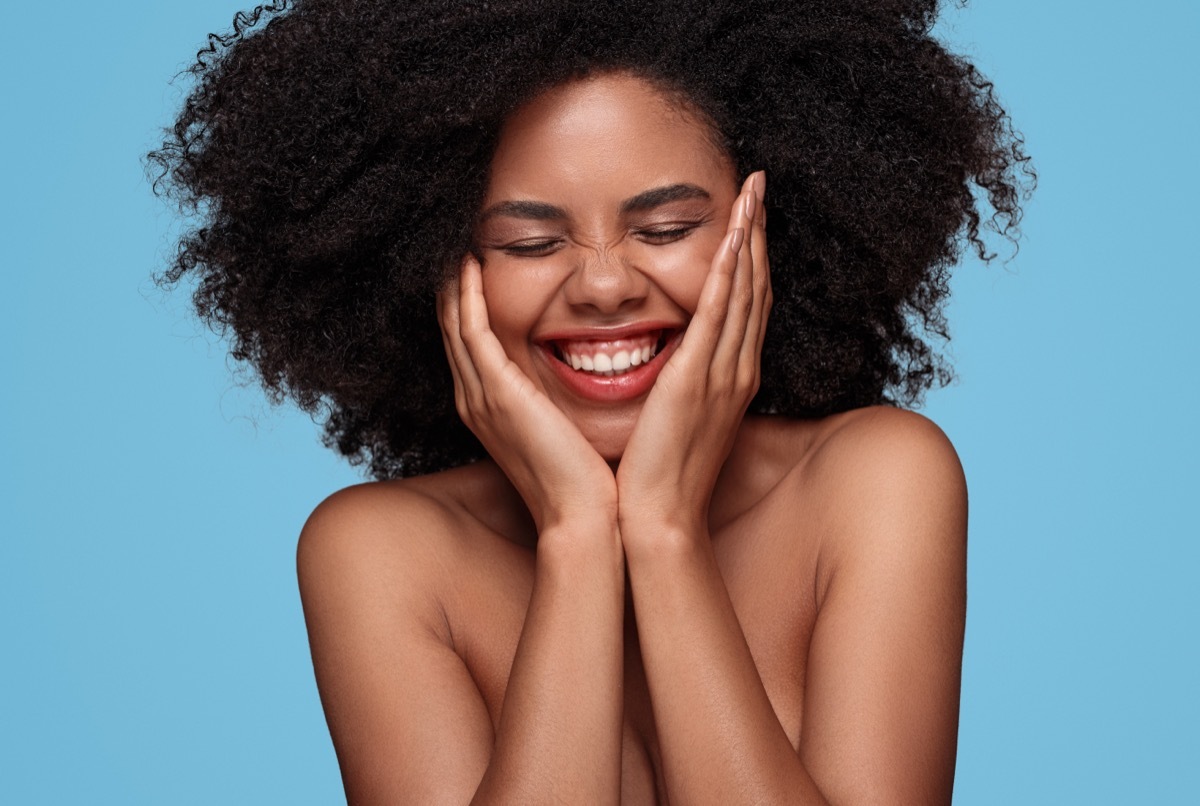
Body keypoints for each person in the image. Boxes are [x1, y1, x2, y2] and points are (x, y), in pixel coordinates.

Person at [151, 0, 1031, 802]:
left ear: (764, 226)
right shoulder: (381, 555)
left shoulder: (875, 480)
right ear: (439, 268)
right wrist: (577, 531)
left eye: (667, 230)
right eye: (530, 243)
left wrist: (663, 525)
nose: (605, 285)